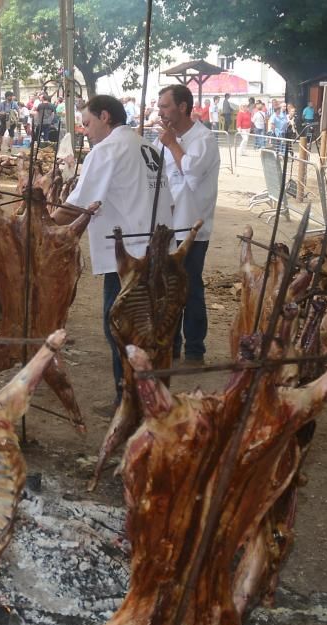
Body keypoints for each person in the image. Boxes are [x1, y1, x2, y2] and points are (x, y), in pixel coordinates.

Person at [52, 95, 172, 409]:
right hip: (156, 249)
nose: (85, 131)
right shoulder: (147, 146)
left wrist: (43, 227)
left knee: (119, 329)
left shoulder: (108, 150)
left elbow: (79, 202)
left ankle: (128, 401)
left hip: (129, 256)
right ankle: (144, 398)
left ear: (105, 116)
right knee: (148, 330)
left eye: (88, 123)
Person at [154, 83, 220, 365]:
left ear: (182, 107)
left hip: (192, 227)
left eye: (165, 106)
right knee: (168, 287)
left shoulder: (203, 139)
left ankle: (195, 348)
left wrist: (172, 143)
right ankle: (171, 345)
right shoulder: (163, 140)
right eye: (159, 107)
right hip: (167, 225)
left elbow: (190, 171)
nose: (161, 112)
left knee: (190, 286)